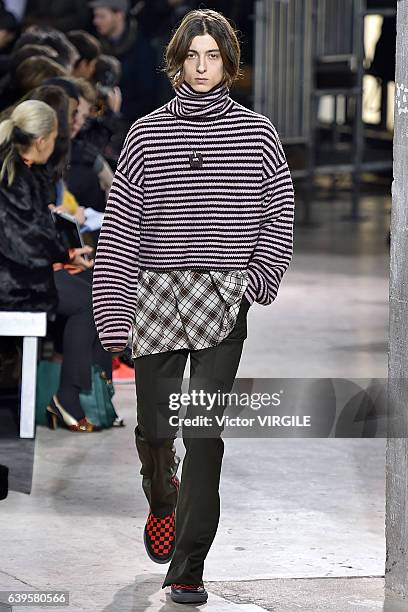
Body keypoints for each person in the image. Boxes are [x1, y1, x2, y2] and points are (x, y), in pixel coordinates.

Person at [92, 8, 295, 604]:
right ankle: (162, 495)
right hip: (156, 295)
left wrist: (257, 277)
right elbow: (123, 227)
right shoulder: (147, 135)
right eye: (192, 56)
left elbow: (277, 210)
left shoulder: (258, 135)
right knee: (157, 428)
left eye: (213, 56)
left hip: (223, 298)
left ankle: (188, 565)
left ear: (229, 63)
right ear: (176, 60)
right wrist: (112, 307)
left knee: (204, 434)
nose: (202, 68)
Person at [0, 99, 105, 432]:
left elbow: (29, 232)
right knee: (90, 301)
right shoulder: (13, 175)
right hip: (13, 279)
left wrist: (66, 254)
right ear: (43, 140)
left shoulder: (18, 168)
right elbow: (24, 239)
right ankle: (70, 399)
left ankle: (79, 396)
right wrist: (64, 255)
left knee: (93, 290)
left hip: (18, 271)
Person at [90, 0, 158, 124]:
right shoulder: (96, 45)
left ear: (119, 15)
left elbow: (147, 98)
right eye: (95, 16)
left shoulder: (142, 49)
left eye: (102, 16)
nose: (96, 21)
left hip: (131, 122)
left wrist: (116, 111)